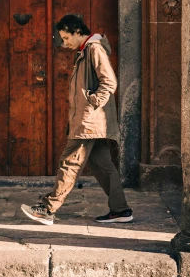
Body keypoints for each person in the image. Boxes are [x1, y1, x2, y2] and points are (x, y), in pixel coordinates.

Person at [21, 14, 133, 226]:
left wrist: (93, 103)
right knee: (102, 165)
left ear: (77, 31)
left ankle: (47, 209)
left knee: (69, 163)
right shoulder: (85, 51)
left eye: (65, 37)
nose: (64, 43)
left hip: (89, 122)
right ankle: (121, 210)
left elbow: (109, 81)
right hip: (91, 121)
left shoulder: (94, 49)